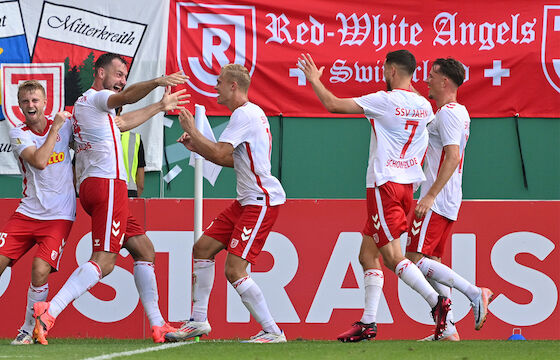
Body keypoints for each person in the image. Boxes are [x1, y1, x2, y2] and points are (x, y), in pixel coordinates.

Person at [32, 53, 190, 344]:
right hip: (107, 186)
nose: (122, 81)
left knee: (144, 250)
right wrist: (157, 81)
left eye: (124, 76)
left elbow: (124, 121)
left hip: (99, 187)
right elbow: (126, 100)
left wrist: (159, 106)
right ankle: (49, 311)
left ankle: (158, 326)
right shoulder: (96, 98)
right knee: (104, 262)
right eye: (118, 74)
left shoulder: (91, 108)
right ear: (100, 72)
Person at [297, 50, 451, 341]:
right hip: (407, 186)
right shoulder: (423, 106)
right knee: (367, 254)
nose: (383, 73)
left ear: (392, 71)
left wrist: (314, 80)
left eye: (384, 68)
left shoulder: (384, 100)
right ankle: (368, 322)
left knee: (393, 258)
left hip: (384, 186)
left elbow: (332, 104)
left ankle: (436, 302)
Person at [164, 64, 287, 344]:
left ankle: (273, 331)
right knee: (202, 248)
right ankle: (198, 320)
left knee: (234, 269)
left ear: (233, 85)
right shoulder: (249, 113)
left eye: (219, 82)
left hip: (260, 201)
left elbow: (220, 151)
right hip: (246, 200)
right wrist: (197, 145)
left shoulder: (244, 114)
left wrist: (193, 131)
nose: (216, 86)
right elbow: (227, 158)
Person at [0, 80, 74, 345]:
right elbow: (40, 161)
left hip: (59, 215)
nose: (30, 106)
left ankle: (29, 329)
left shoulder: (67, 126)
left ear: (45, 103)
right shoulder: (19, 133)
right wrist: (55, 127)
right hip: (28, 211)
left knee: (40, 270)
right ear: (19, 106)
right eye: (25, 101)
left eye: (35, 101)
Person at [405, 58, 493, 341]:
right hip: (447, 198)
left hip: (438, 199)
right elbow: (432, 124)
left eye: (432, 76)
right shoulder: (450, 112)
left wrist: (429, 196)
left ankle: (474, 292)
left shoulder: (450, 115)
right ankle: (448, 329)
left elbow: (453, 156)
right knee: (432, 261)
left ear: (445, 82)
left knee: (413, 259)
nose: (427, 80)